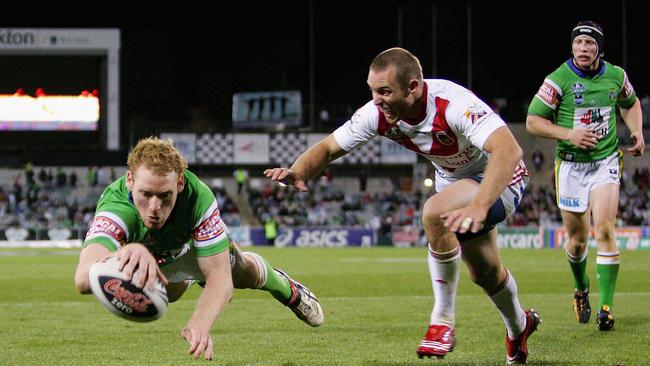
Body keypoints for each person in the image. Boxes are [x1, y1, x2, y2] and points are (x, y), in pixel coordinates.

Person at [264, 47, 539, 364]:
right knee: (486, 274)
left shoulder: (453, 104)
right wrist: (299, 170)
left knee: (433, 213)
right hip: (453, 182)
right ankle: (520, 327)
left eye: (384, 91)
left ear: (414, 87)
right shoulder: (378, 113)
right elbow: (328, 147)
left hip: (498, 175)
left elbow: (508, 149)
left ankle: (442, 321)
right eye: (372, 90)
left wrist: (480, 203)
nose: (376, 100)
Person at [74, 137, 323, 361]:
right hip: (161, 258)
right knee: (168, 294)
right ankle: (191, 276)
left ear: (180, 183)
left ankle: (287, 289)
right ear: (129, 180)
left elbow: (220, 279)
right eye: (146, 194)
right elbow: (83, 280)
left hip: (192, 244)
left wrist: (200, 323)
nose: (154, 208)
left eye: (165, 196)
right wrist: (121, 253)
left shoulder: (198, 197)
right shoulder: (115, 205)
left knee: (243, 273)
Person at [526, 20, 645, 331]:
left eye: (589, 44)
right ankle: (581, 288)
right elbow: (533, 121)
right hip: (570, 166)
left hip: (605, 161)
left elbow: (630, 105)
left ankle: (606, 308)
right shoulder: (558, 80)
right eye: (578, 43)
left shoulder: (616, 76)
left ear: (599, 49)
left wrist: (637, 132)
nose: (583, 48)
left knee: (605, 231)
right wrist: (569, 134)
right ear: (572, 47)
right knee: (578, 242)